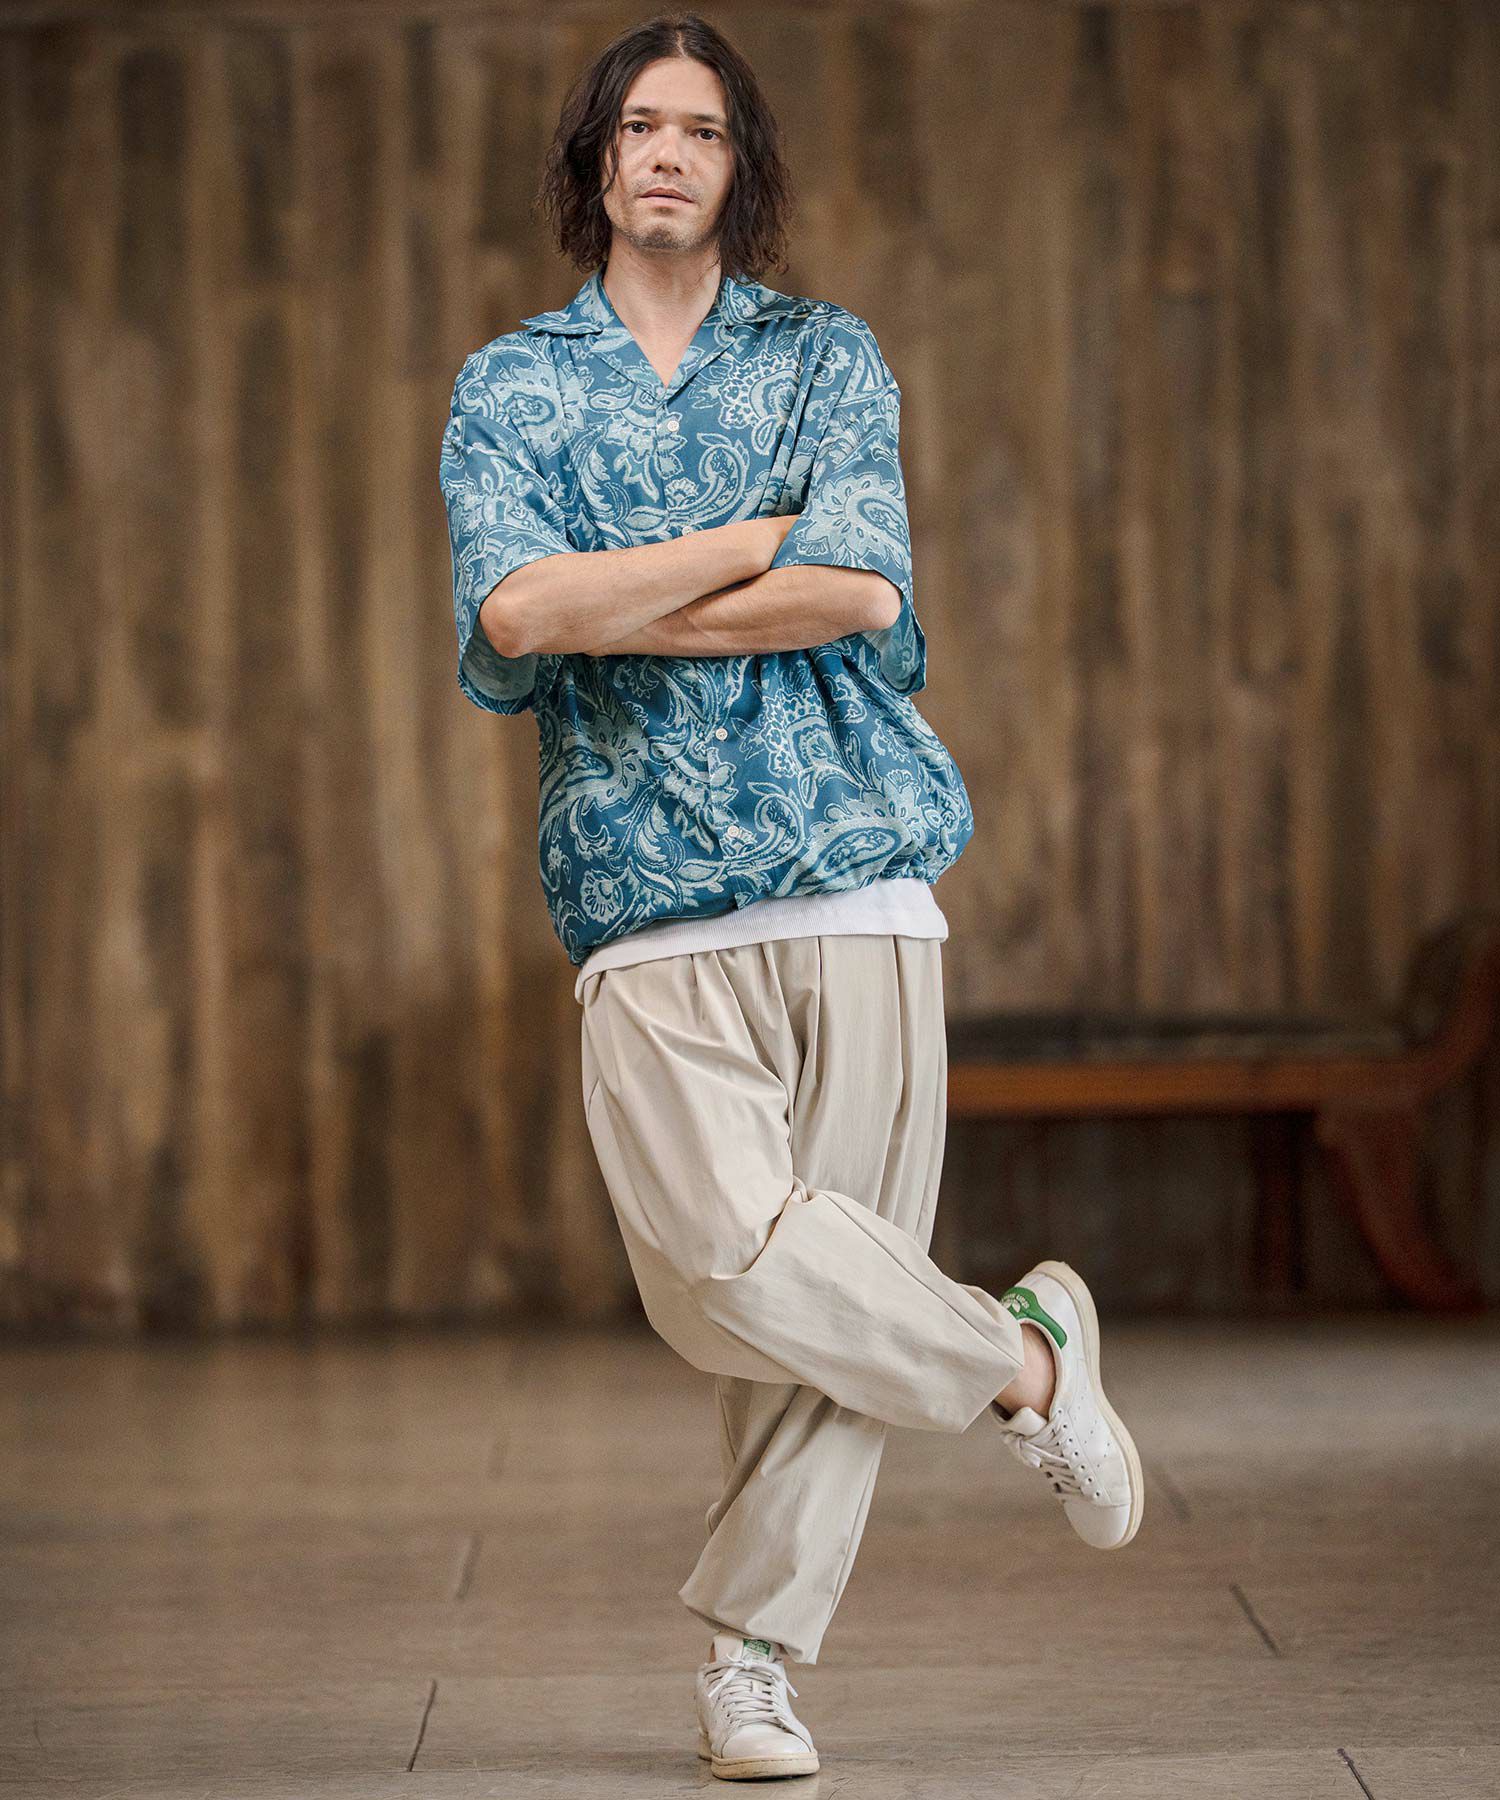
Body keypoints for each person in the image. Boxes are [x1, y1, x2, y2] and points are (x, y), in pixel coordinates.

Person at [438, 11, 1144, 1781]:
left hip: (854, 875)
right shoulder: (512, 386)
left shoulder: (827, 356)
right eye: (638, 127)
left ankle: (750, 1667)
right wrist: (751, 542)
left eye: (701, 129)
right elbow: (515, 615)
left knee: (818, 1323)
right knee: (721, 1269)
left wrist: (626, 593)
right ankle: (1024, 1360)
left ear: (738, 166)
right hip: (642, 892)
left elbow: (859, 592)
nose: (667, 153)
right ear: (597, 160)